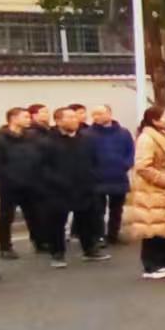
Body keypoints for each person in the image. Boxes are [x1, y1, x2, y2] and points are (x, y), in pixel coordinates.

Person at [124, 105, 165, 279]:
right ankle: (151, 264)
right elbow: (143, 166)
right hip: (152, 188)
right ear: (154, 120)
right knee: (152, 227)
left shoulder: (164, 135)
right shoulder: (146, 138)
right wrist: (164, 181)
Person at [35, 106, 104, 265]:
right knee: (56, 223)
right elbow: (41, 167)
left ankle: (89, 250)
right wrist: (55, 181)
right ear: (58, 121)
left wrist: (93, 177)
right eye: (70, 117)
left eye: (75, 117)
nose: (75, 120)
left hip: (84, 187)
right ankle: (57, 254)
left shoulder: (86, 139)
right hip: (58, 190)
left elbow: (95, 161)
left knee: (86, 220)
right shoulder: (47, 141)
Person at [0, 107, 40, 259]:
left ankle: (39, 241)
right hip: (9, 185)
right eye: (25, 117)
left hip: (31, 183)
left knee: (34, 214)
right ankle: (5, 246)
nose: (29, 120)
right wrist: (11, 177)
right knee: (6, 216)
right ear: (13, 118)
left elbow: (38, 157)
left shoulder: (32, 137)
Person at [86, 104, 135, 246]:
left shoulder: (123, 133)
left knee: (117, 209)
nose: (96, 117)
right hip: (96, 178)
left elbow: (130, 151)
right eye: (94, 114)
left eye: (100, 113)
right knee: (97, 210)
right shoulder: (87, 134)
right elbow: (84, 156)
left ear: (109, 114)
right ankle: (99, 236)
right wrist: (92, 171)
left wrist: (125, 165)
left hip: (118, 176)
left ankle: (113, 234)